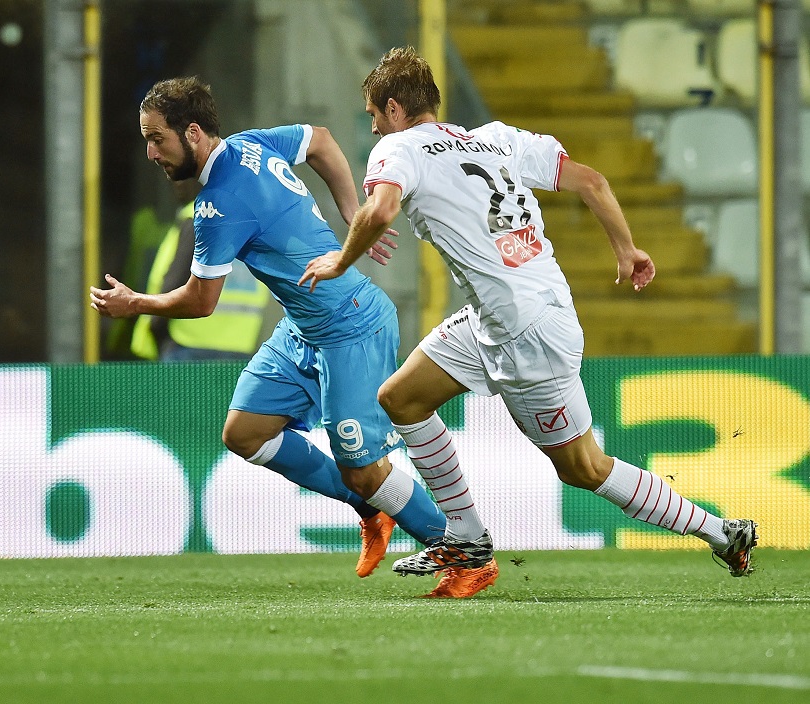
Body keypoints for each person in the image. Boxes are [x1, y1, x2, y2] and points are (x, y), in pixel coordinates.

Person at [300, 47, 758, 598]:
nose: (374, 129)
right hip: (504, 314)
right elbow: (592, 182)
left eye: (374, 116)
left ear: (395, 109)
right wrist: (628, 249)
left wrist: (339, 261)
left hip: (528, 332)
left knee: (584, 468)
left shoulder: (400, 147)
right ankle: (466, 537)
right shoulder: (498, 138)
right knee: (401, 397)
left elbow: (379, 211)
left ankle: (722, 533)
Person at [91, 76, 450, 580]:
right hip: (305, 327)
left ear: (192, 132)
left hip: (351, 326)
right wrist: (353, 212)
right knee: (246, 433)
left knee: (365, 468)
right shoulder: (250, 144)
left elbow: (200, 301)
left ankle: (458, 549)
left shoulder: (217, 204)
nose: (150, 152)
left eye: (157, 139)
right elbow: (321, 140)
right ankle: (372, 508)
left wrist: (135, 304)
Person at [130, 180, 270, 362]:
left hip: (188, 344)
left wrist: (157, 330)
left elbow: (174, 282)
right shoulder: (253, 222)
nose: (176, 183)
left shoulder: (199, 217)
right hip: (241, 345)